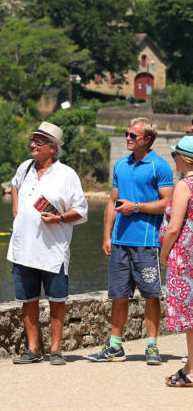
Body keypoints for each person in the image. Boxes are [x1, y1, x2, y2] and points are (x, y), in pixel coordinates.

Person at [87, 117, 173, 365]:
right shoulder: (120, 165)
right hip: (120, 242)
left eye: (133, 135)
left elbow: (167, 204)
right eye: (127, 134)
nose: (127, 138)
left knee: (151, 295)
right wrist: (107, 235)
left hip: (147, 243)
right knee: (118, 295)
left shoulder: (160, 166)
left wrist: (136, 207)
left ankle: (152, 346)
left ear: (147, 139)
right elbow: (112, 201)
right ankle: (115, 346)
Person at [8, 121, 88, 365]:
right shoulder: (24, 168)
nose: (32, 144)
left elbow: (82, 211)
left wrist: (60, 218)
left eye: (39, 142)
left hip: (53, 251)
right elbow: (13, 185)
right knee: (28, 299)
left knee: (57, 300)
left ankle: (55, 350)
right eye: (32, 140)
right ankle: (33, 349)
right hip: (23, 248)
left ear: (53, 148)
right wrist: (16, 210)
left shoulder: (67, 175)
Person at [160, 135, 193, 387]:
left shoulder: (185, 185)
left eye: (175, 155)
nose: (174, 160)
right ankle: (189, 365)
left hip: (185, 257)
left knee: (190, 317)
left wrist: (164, 254)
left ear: (183, 158)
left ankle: (191, 371)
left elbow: (174, 228)